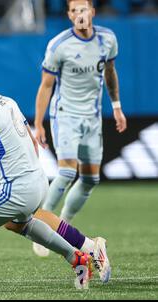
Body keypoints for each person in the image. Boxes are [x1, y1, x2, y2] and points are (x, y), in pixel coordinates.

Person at [0, 62, 107, 292]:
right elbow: (31, 142)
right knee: (18, 224)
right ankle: (78, 258)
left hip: (16, 190)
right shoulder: (6, 101)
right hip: (39, 182)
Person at [33, 0, 127, 256]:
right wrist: (39, 123)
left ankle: (63, 225)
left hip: (93, 118)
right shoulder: (59, 44)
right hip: (66, 115)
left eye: (83, 9)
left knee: (90, 179)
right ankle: (42, 227)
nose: (79, 14)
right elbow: (46, 86)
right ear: (69, 15)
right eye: (74, 11)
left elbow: (110, 71)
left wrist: (116, 106)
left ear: (92, 13)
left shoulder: (108, 39)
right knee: (65, 173)